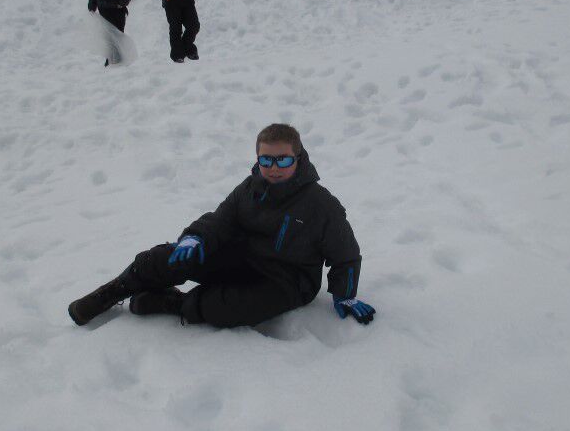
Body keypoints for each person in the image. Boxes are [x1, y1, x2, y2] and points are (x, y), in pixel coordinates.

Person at [68, 123, 376, 328]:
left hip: (288, 280)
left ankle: (174, 303)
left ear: (298, 158)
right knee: (171, 256)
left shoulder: (320, 203)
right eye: (266, 160)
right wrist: (196, 238)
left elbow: (345, 253)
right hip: (244, 257)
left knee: (229, 308)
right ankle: (115, 290)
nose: (274, 168)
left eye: (283, 160)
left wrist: (345, 292)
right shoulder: (250, 188)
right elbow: (222, 220)